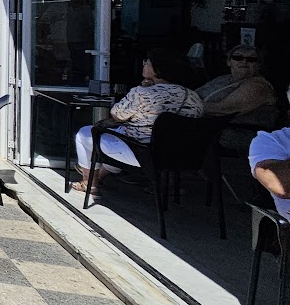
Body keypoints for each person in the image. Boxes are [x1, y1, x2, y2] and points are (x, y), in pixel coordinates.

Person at [71, 51, 204, 194]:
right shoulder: (193, 96)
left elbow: (117, 115)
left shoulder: (142, 93)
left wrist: (143, 89)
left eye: (146, 62)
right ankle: (98, 176)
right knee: (119, 139)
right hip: (180, 155)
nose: (143, 65)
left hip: (142, 153)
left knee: (85, 133)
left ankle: (89, 182)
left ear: (157, 69)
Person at [198, 44, 277, 128]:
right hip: (207, 126)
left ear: (259, 65)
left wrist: (187, 105)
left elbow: (223, 110)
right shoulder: (223, 78)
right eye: (238, 58)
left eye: (251, 59)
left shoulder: (259, 85)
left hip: (235, 133)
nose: (244, 62)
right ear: (229, 62)